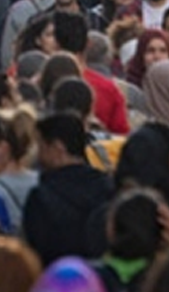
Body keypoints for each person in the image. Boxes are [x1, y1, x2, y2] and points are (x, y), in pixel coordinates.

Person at [22, 112, 115, 265]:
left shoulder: (41, 197)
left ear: (57, 149)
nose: (37, 154)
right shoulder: (107, 186)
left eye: (41, 146)